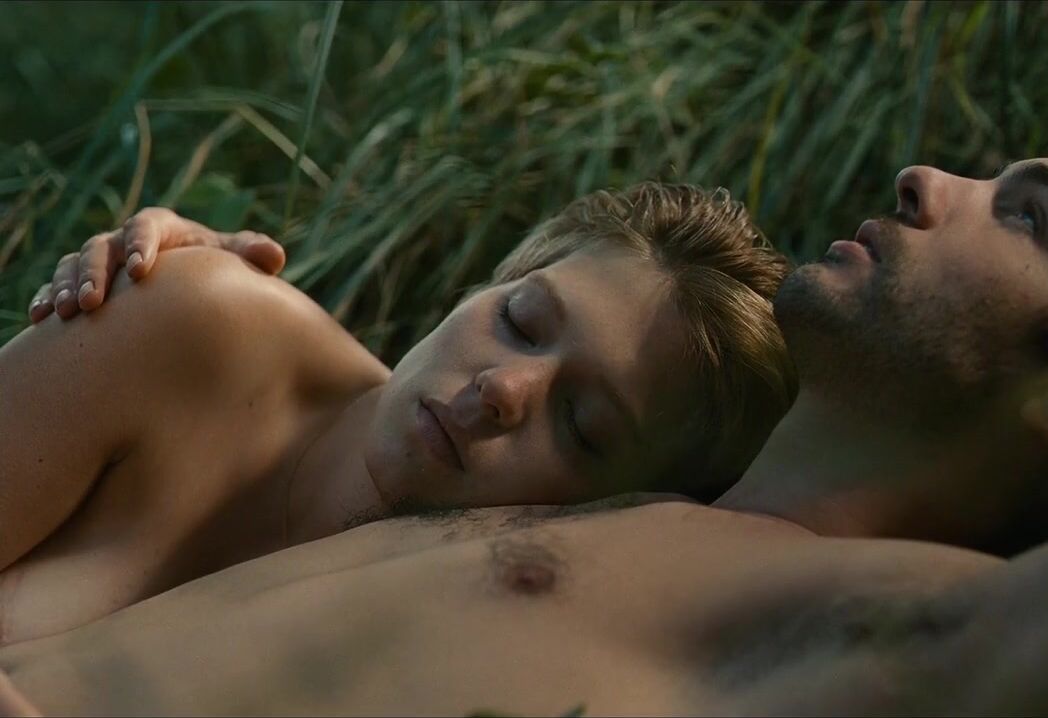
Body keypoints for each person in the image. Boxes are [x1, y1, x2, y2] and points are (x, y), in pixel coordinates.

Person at [4, 124, 1048, 715]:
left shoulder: (867, 612)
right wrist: (182, 310)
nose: (931, 178)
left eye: (1027, 215)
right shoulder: (624, 500)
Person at [0, 182, 797, 645]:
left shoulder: (477, 645)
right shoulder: (201, 325)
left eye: (582, 424)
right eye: (520, 320)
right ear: (485, 284)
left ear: (623, 511)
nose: (504, 389)